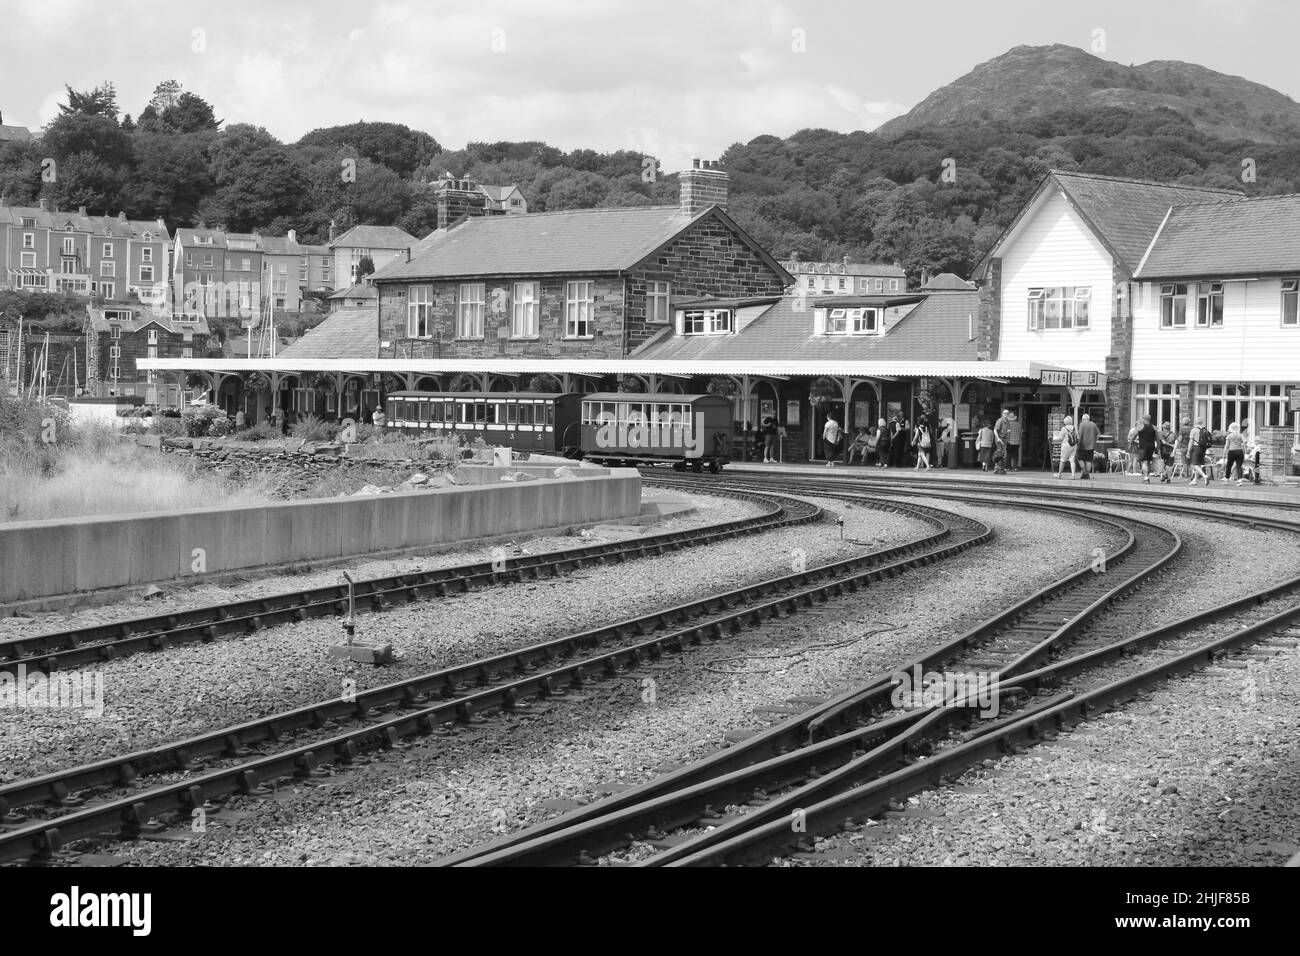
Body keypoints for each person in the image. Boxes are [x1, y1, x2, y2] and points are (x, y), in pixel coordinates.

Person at [1134, 414, 1158, 483]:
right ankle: (1147, 476)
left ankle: (1146, 478)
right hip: (1151, 447)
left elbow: (1134, 435)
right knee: (1147, 462)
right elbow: (1157, 438)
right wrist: (1158, 448)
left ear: (1143, 419)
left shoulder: (1140, 426)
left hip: (1143, 447)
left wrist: (1131, 442)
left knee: (1144, 462)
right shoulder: (1154, 427)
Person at [1188, 417, 1211, 486]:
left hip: (1196, 447)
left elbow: (1191, 441)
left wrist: (1188, 451)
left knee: (1194, 464)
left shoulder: (1194, 430)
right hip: (1203, 448)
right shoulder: (1205, 430)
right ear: (1202, 422)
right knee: (1199, 464)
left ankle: (1204, 476)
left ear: (1195, 422)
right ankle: (1195, 480)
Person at [1076, 413, 1099, 479]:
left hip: (1082, 445)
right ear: (1088, 419)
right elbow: (1098, 434)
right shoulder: (1093, 424)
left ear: (1083, 419)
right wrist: (1094, 441)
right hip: (1091, 446)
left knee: (1080, 458)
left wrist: (1078, 444)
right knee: (1088, 460)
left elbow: (1079, 435)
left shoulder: (1081, 424)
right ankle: (1087, 474)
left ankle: (1084, 471)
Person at [1242, 418, 1261, 484]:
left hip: (1253, 460)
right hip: (1255, 460)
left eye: (1256, 441)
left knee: (1240, 461)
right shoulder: (1260, 447)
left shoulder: (1257, 447)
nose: (1255, 441)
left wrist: (1248, 454)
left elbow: (1250, 455)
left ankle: (1243, 475)